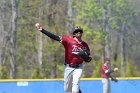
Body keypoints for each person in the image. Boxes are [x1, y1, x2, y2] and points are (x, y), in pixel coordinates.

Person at [35, 23, 92, 93]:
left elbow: (88, 56)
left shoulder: (84, 45)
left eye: (80, 31)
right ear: (74, 34)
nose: (79, 32)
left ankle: (77, 90)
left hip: (79, 67)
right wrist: (43, 30)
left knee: (75, 87)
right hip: (68, 67)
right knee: (67, 89)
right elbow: (55, 37)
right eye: (77, 31)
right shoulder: (68, 40)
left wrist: (88, 58)